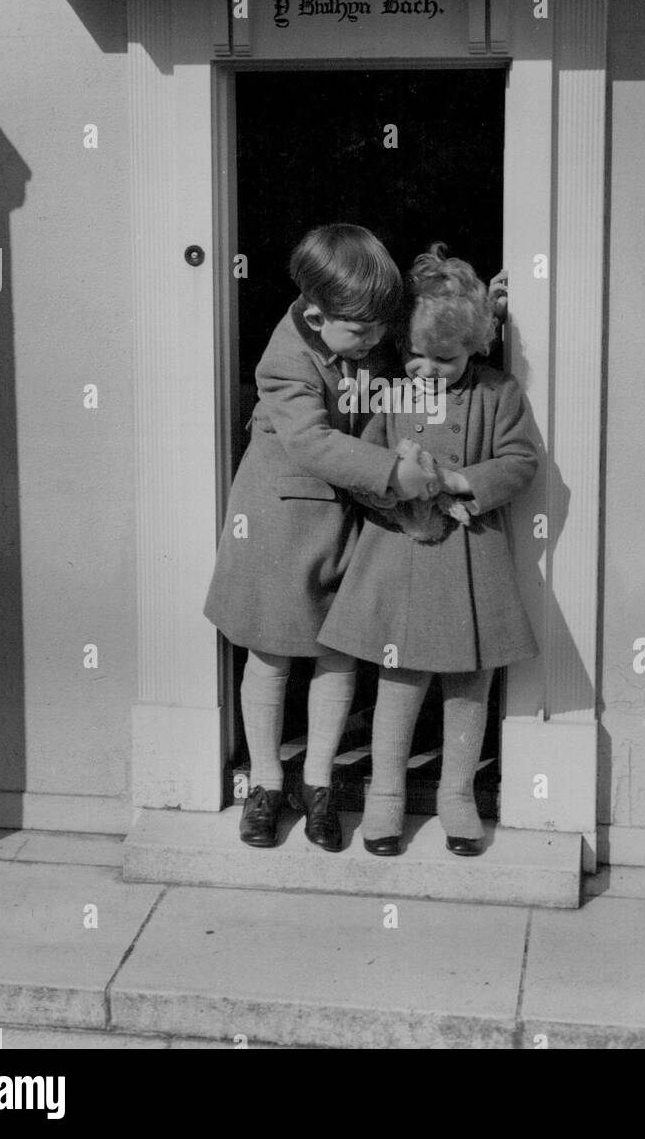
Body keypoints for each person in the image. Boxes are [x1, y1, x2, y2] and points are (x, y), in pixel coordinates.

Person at [204, 224, 430, 851]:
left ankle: (319, 784)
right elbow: (310, 441)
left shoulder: (367, 332)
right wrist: (392, 474)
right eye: (360, 331)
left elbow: (418, 349)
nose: (375, 341)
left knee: (338, 651)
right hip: (281, 520)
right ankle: (266, 782)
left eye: (382, 328)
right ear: (314, 316)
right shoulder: (285, 358)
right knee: (271, 652)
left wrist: (488, 313)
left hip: (349, 515)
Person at [317, 244, 539, 857]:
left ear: (476, 347)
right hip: (402, 553)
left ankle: (457, 796)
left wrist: (462, 480)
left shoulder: (498, 392)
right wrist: (395, 486)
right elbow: (362, 462)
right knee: (399, 679)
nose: (426, 370)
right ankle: (385, 796)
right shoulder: (393, 393)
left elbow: (520, 461)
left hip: (470, 553)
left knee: (469, 682)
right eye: (416, 355)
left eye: (444, 359)